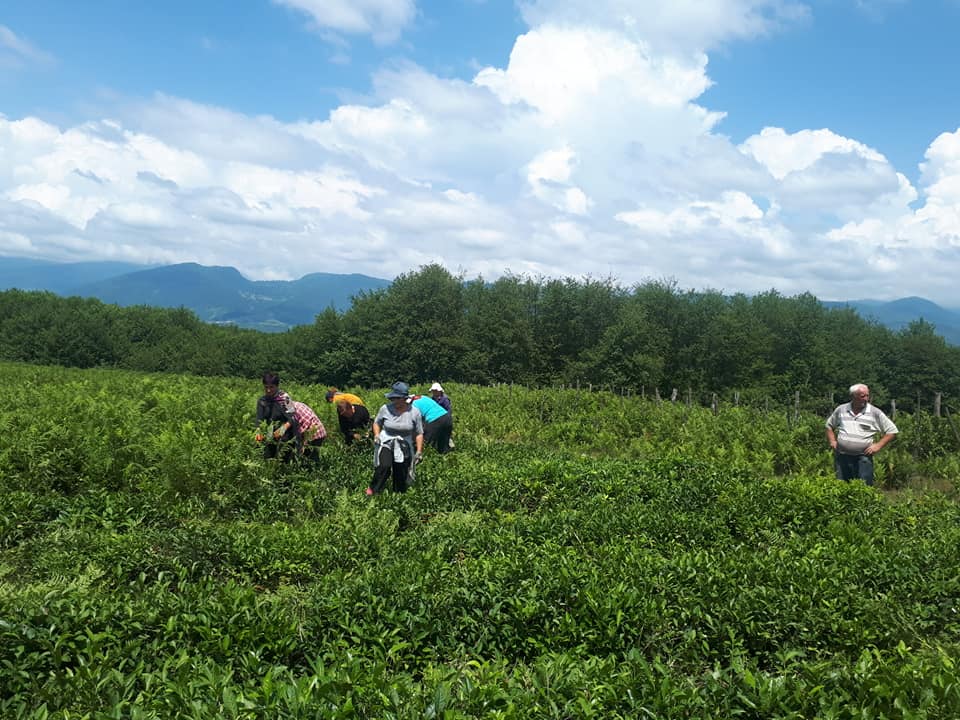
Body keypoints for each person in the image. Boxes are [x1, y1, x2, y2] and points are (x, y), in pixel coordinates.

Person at [825, 383, 898, 486]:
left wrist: (878, 446)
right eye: (862, 396)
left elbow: (892, 430)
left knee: (863, 488)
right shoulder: (841, 409)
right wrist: (832, 441)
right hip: (842, 457)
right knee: (841, 486)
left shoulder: (874, 412)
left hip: (863, 458)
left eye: (867, 395)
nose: (866, 399)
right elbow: (829, 426)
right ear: (853, 396)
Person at [255, 372, 327, 462]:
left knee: (285, 459)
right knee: (268, 458)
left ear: (277, 386)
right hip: (270, 434)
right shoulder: (262, 401)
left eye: (271, 387)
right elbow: (259, 418)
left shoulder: (284, 399)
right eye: (266, 387)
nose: (268, 390)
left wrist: (282, 429)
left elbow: (293, 417)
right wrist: (258, 431)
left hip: (286, 435)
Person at [369, 381, 424, 495]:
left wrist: (419, 451)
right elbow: (377, 422)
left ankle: (398, 495)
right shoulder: (385, 408)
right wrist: (377, 434)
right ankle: (373, 490)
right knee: (384, 465)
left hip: (404, 442)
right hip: (386, 440)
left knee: (400, 470)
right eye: (392, 398)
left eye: (396, 398)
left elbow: (419, 433)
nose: (393, 401)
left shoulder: (414, 412)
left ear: (404, 399)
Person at [428, 381, 454, 449]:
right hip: (435, 419)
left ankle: (449, 447)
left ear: (439, 391)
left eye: (435, 391)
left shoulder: (444, 399)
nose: (434, 392)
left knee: (445, 435)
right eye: (433, 391)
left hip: (444, 419)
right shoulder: (433, 399)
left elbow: (448, 410)